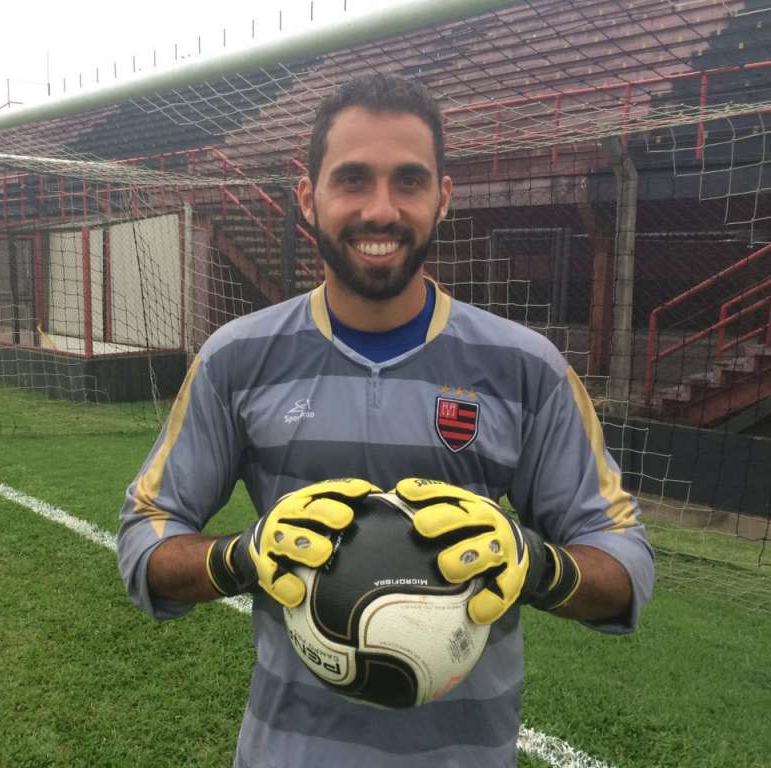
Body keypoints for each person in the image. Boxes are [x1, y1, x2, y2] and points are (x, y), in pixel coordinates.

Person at [118, 74, 654, 768]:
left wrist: (537, 567)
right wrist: (240, 557)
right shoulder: (236, 359)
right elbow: (145, 538)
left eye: (408, 181)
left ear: (443, 197)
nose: (382, 209)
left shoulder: (528, 368)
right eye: (352, 180)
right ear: (308, 198)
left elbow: (625, 560)